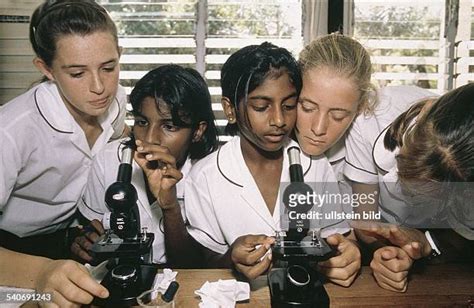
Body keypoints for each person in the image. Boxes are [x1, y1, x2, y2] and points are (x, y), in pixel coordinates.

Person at [184, 42, 357, 286]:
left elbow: (336, 240)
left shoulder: (315, 165)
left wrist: (346, 255)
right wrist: (231, 259)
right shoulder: (204, 177)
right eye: (261, 107)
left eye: (288, 106)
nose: (278, 120)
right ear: (230, 109)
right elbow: (202, 262)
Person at [0, 0, 127, 305]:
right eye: (77, 73)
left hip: (66, 243)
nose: (100, 87)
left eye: (108, 67)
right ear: (47, 70)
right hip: (11, 255)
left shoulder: (117, 100)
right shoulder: (11, 130)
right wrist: (41, 272)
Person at [293, 33, 436, 291]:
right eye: (307, 106)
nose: (318, 127)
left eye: (338, 115)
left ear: (360, 108)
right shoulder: (267, 142)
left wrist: (386, 253)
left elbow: (366, 226)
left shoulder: (389, 123)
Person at [73, 64, 218, 268]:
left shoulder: (209, 174)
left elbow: (192, 266)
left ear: (197, 131)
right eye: (142, 122)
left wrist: (170, 207)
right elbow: (89, 227)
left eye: (169, 126)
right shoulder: (108, 160)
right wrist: (86, 239)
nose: (150, 138)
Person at [345, 83, 474, 292]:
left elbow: (462, 242)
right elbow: (365, 222)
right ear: (424, 110)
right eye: (405, 164)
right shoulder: (372, 118)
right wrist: (389, 254)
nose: (401, 184)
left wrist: (428, 243)